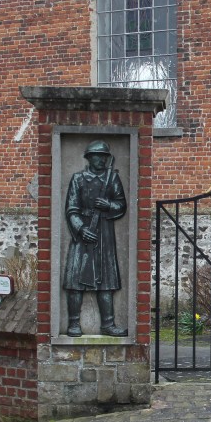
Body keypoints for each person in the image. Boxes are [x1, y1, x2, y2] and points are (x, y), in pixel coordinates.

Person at [63, 140, 128, 337]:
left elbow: (121, 205)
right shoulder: (78, 179)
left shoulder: (112, 178)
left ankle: (107, 324)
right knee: (75, 280)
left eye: (105, 156)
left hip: (104, 233)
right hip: (83, 233)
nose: (102, 160)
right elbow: (71, 209)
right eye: (98, 156)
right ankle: (74, 323)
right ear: (90, 157)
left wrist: (108, 205)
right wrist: (81, 229)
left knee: (106, 280)